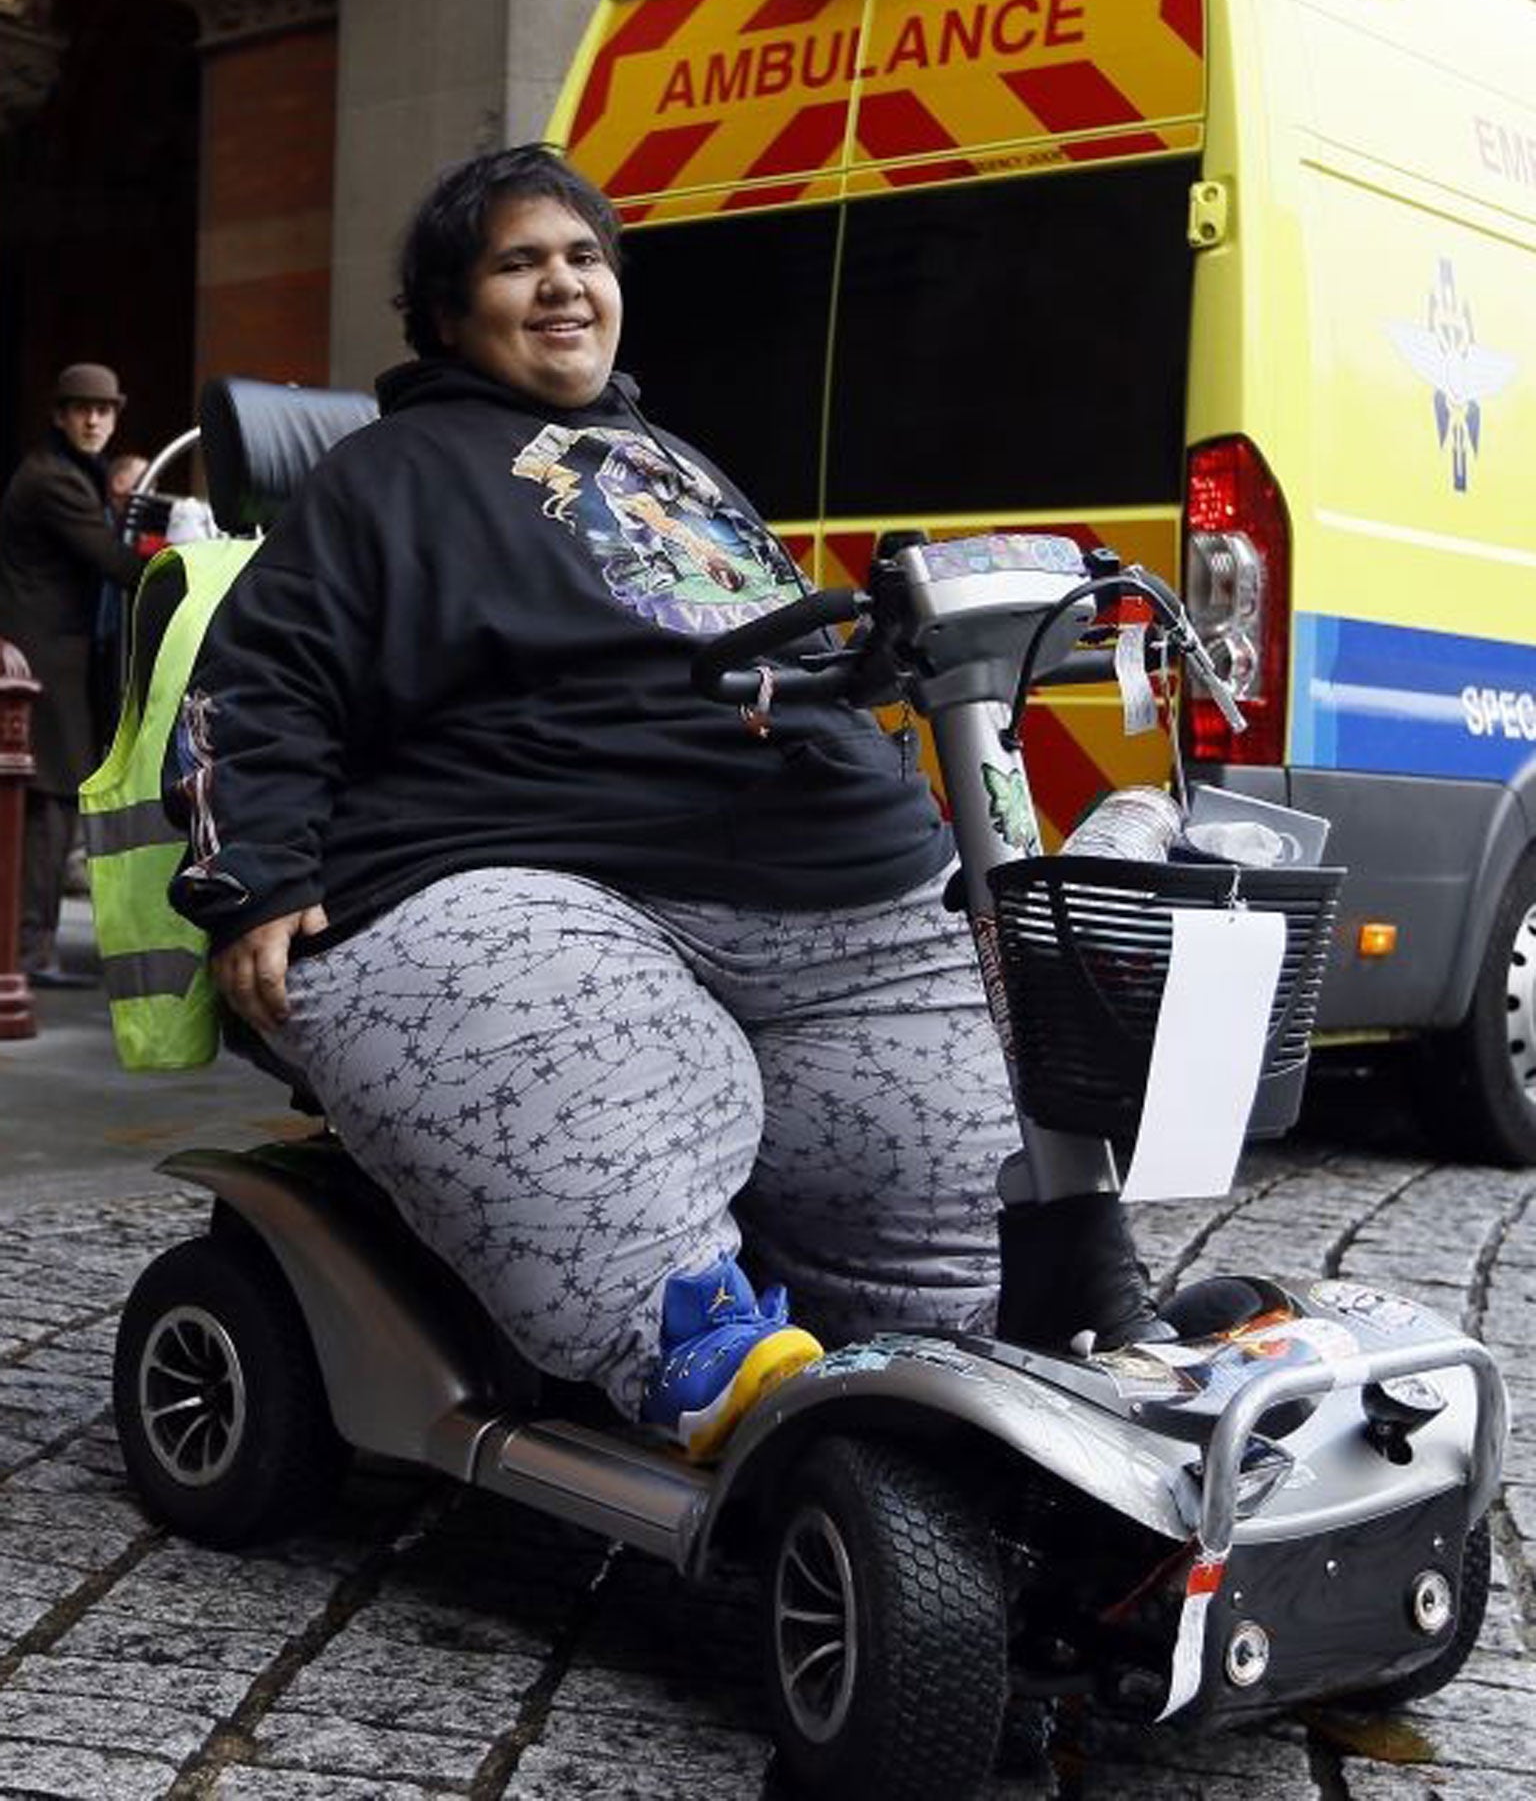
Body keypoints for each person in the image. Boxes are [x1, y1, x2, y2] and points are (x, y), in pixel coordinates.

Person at [165, 145, 1160, 1462]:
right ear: (451, 311)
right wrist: (260, 883)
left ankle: (958, 1344)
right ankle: (690, 1337)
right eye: (520, 263)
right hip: (541, 868)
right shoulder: (385, 475)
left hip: (834, 886)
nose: (564, 285)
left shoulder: (672, 459)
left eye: (585, 257)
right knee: (576, 1048)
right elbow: (262, 678)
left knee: (962, 1177)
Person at [0, 364, 143, 986]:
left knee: (47, 804)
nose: (92, 420)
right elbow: (112, 560)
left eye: (103, 410)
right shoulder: (53, 480)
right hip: (44, 661)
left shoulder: (69, 473)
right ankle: (30, 951)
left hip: (52, 657)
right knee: (50, 805)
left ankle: (31, 946)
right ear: (59, 415)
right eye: (81, 409)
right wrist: (189, 558)